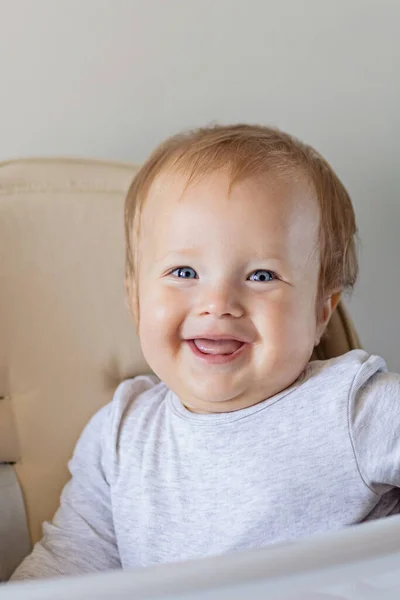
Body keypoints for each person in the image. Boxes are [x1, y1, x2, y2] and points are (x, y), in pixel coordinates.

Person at [11, 124, 400, 580]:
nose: (218, 303)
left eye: (261, 275)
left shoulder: (354, 408)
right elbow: (67, 565)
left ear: (320, 312)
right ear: (135, 301)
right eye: (184, 271)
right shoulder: (119, 435)